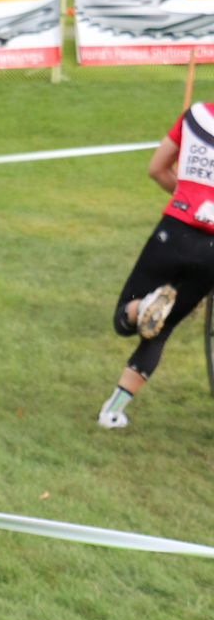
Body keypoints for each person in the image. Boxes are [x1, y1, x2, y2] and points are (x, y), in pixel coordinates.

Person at [98, 100, 214, 428]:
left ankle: (143, 306)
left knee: (124, 318)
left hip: (175, 228)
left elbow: (156, 169)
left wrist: (188, 196)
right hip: (211, 251)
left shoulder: (196, 114)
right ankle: (111, 412)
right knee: (159, 335)